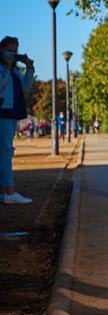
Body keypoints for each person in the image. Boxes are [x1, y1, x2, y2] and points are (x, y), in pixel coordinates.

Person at [0, 37, 35, 204]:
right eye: (10, 51)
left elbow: (26, 86)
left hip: (12, 112)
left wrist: (29, 68)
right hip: (3, 112)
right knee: (6, 151)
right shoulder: (3, 70)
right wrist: (5, 69)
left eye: (15, 51)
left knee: (6, 151)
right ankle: (9, 191)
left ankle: (6, 190)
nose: (13, 55)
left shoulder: (15, 72)